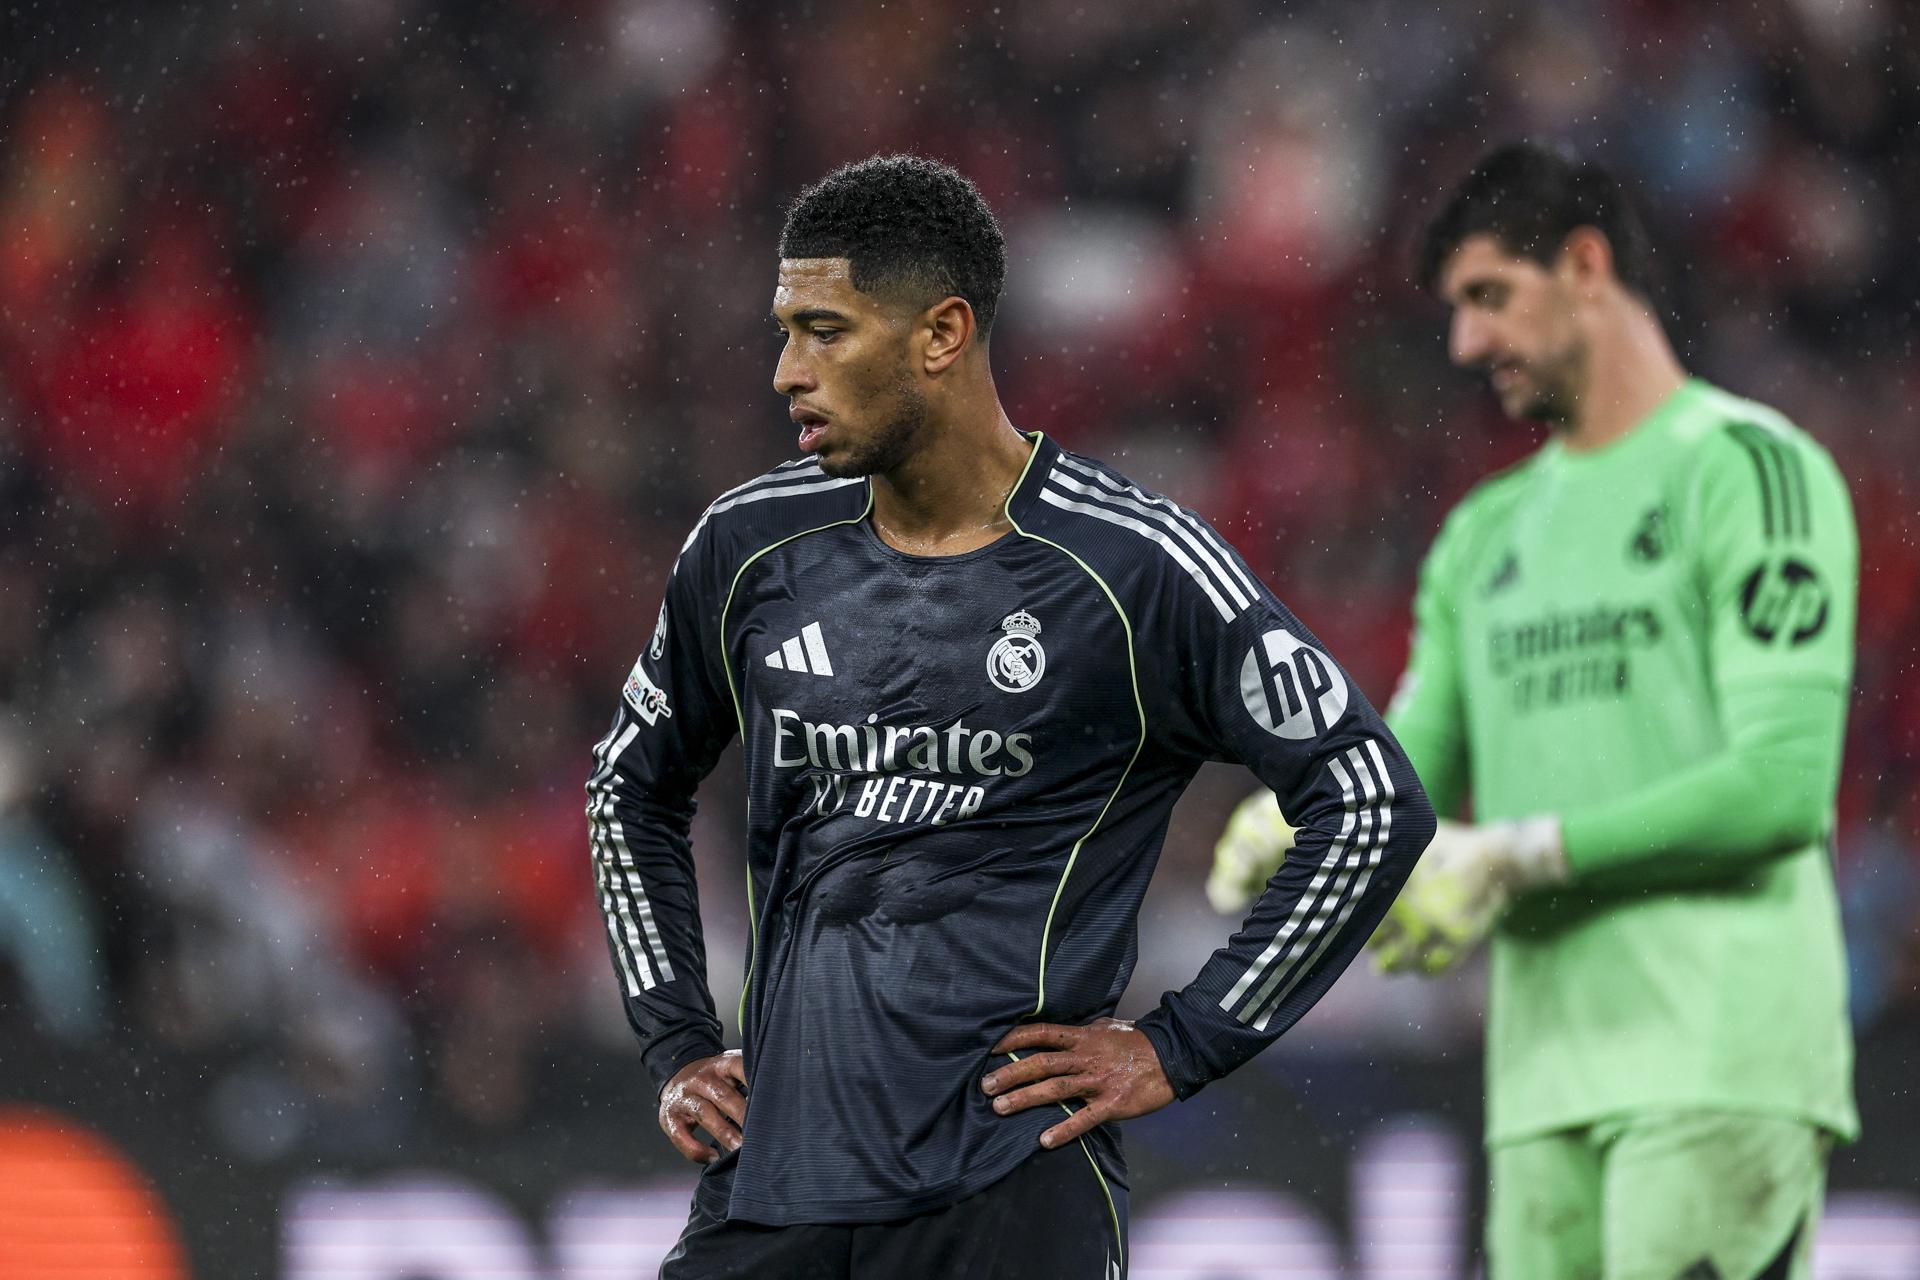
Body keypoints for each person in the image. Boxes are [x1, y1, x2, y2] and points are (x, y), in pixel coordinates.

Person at [587, 154, 1435, 1279]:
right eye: (785, 331)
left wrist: (1183, 1041)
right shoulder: (750, 547)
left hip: (1009, 1193)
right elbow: (628, 786)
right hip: (774, 1184)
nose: (788, 371)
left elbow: (1371, 799)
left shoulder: (1132, 566)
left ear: (941, 334)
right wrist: (679, 1043)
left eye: (825, 331)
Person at [1211, 141, 1858, 1279]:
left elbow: (1781, 784)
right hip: (1541, 1077)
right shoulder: (1487, 531)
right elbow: (1417, 759)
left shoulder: (1749, 470)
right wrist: (1310, 809)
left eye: (1490, 297)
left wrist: (1515, 853)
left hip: (1717, 1062)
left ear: (1588, 266)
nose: (1467, 343)